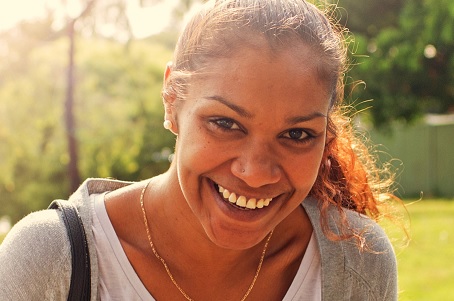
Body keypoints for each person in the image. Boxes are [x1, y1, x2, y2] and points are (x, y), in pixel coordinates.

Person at [0, 0, 399, 300]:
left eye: (296, 135)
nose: (255, 172)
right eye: (225, 124)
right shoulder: (52, 259)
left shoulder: (358, 264)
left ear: (326, 137)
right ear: (172, 101)